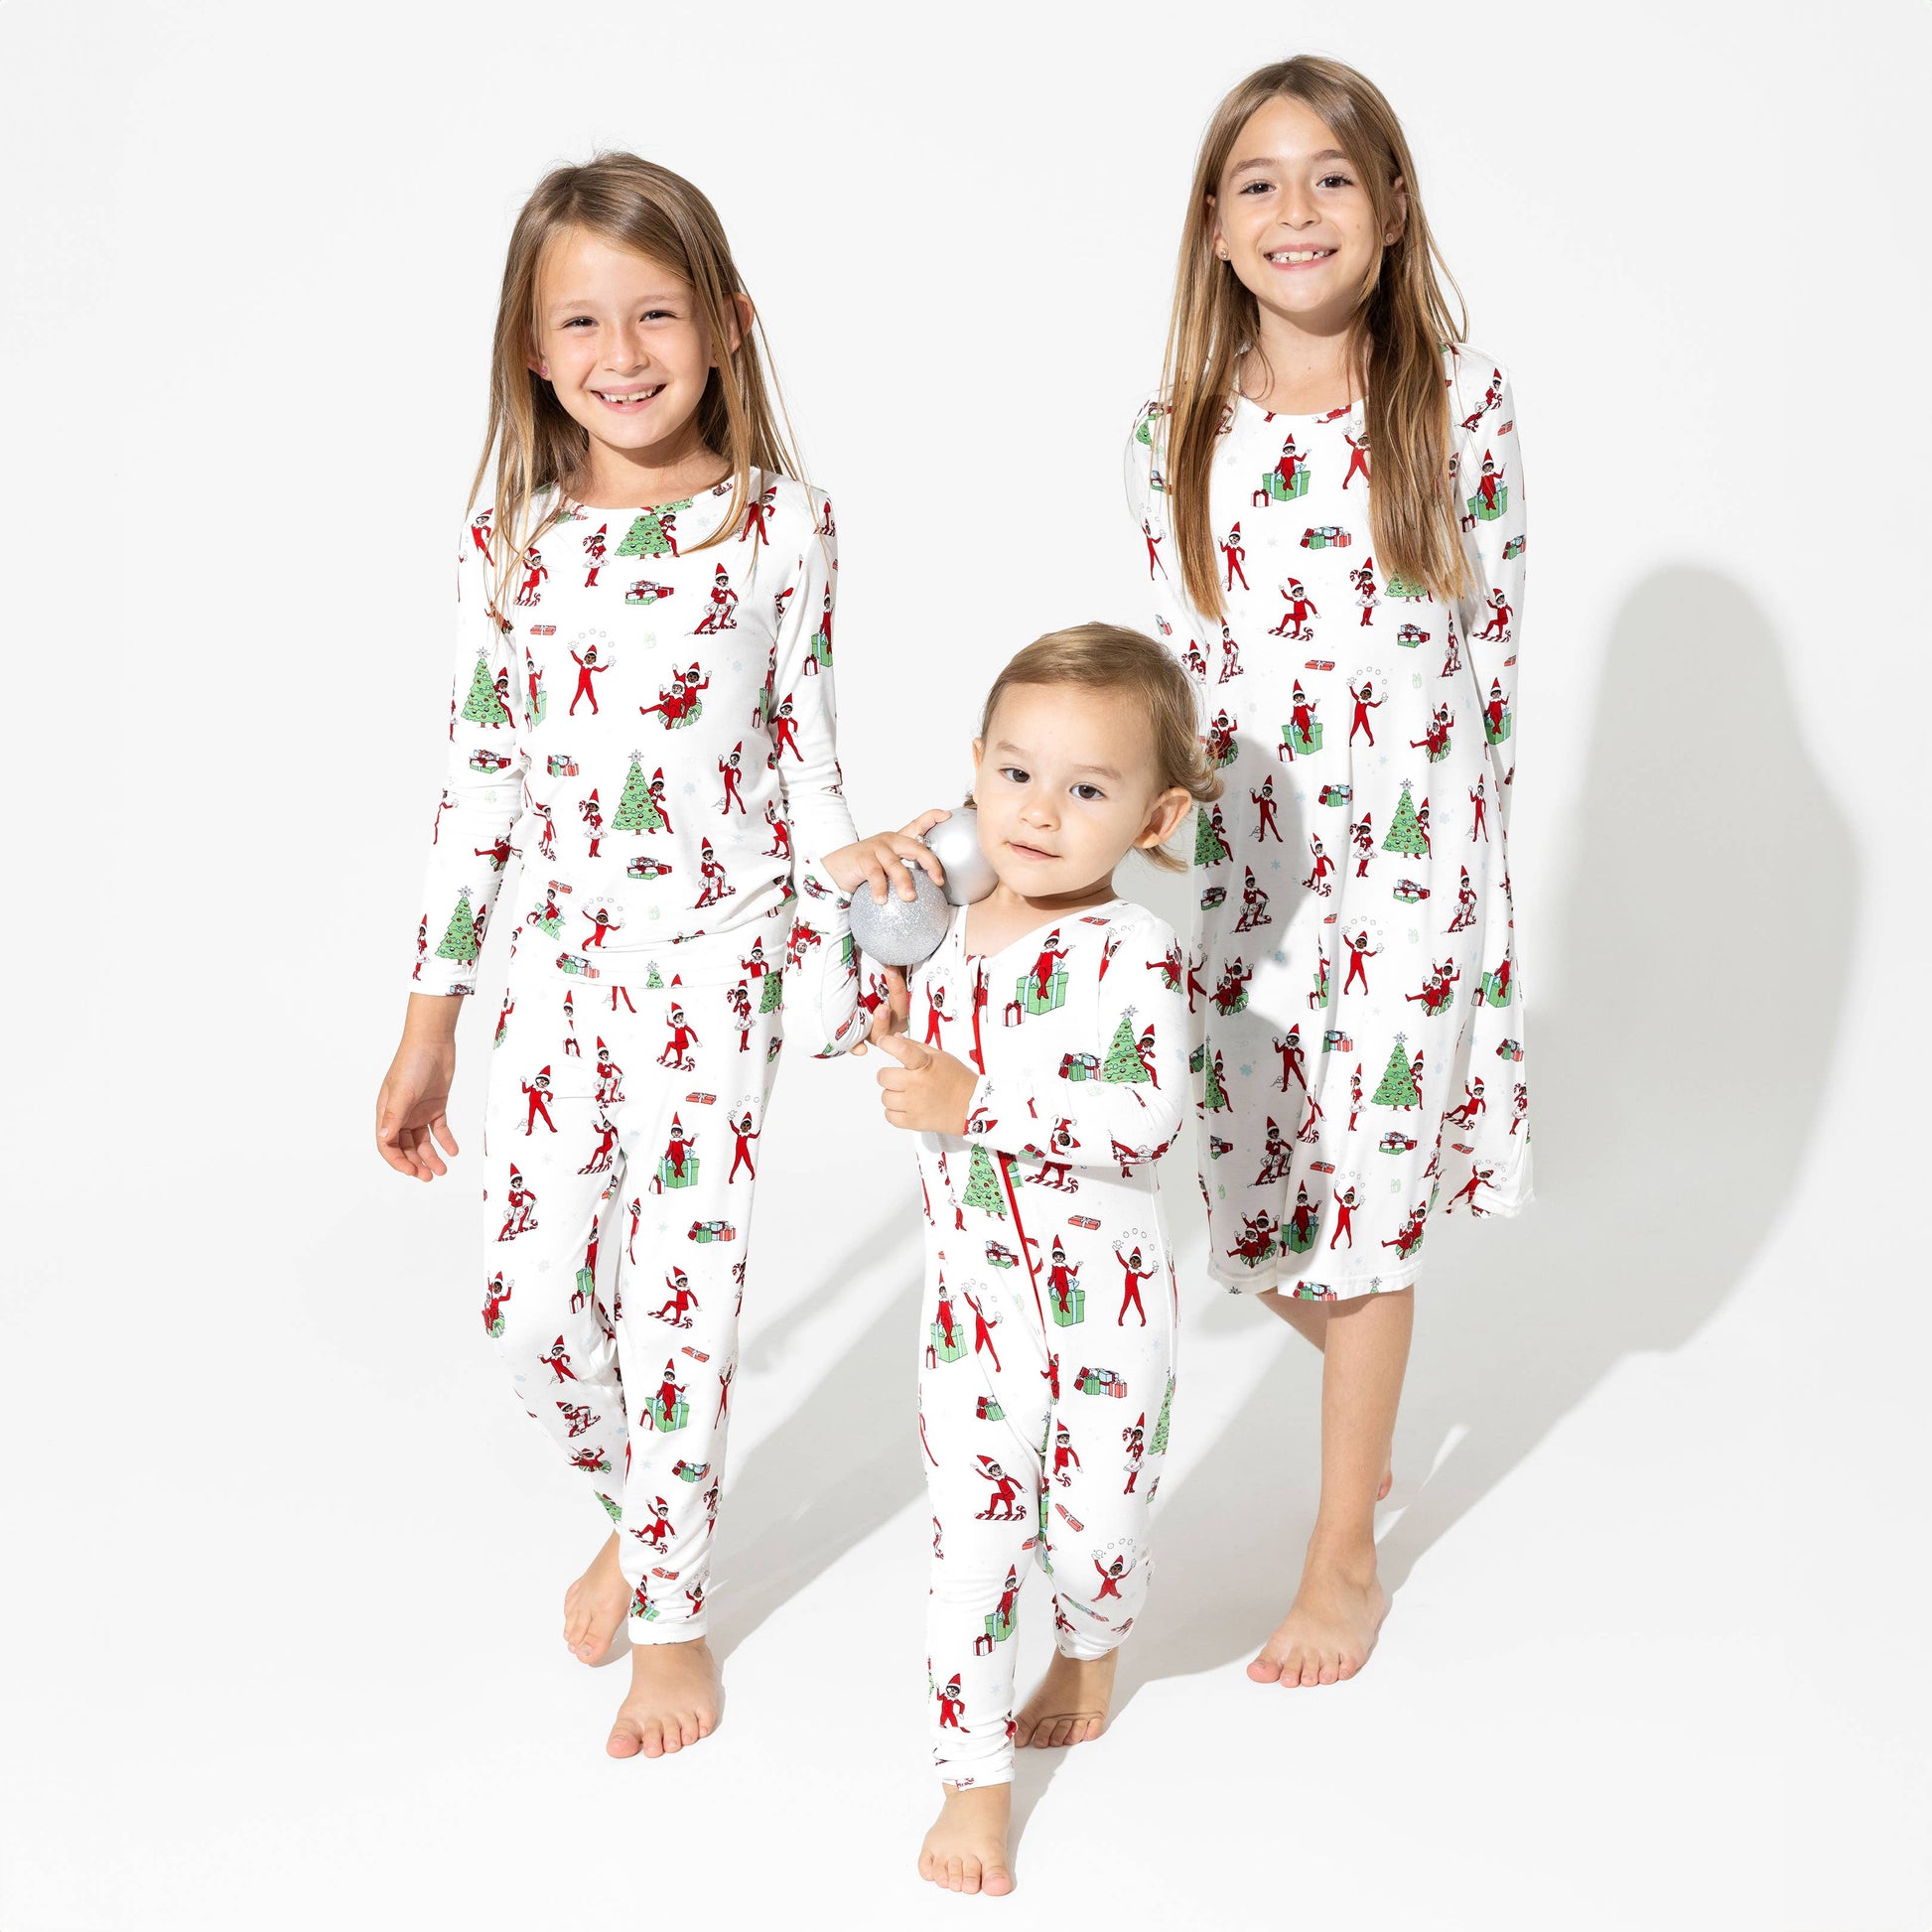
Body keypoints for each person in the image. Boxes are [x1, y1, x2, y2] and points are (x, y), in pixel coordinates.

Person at [373, 151, 897, 1762]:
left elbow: (809, 762)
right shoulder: (509, 543)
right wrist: (431, 1017)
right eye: (582, 322)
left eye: (656, 313)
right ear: (531, 352)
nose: (622, 353)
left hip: (721, 973)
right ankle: (636, 1511)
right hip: (560, 978)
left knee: (681, 1301)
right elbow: (479, 782)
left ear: (727, 324)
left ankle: (671, 1611)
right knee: (531, 1307)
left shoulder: (781, 528)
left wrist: (853, 950)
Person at [1123, 57, 1535, 1691]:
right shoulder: (1172, 432)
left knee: (1364, 1213)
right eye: (1258, 183)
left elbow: (1495, 652)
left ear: (1391, 208)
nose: (1296, 211)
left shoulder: (1456, 402)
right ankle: (1378, 1388)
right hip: (1257, 883)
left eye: (1331, 178)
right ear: (1215, 226)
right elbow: (1177, 666)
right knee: (1251, 1215)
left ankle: (1340, 1549)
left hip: (1414, 872)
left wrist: (1476, 898)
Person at [786, 624, 1219, 1897]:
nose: (1036, 812)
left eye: (1086, 789)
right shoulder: (933, 931)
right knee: (970, 1550)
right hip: (970, 1320)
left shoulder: (1132, 951)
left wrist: (975, 1101)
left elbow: (1144, 1116)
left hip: (1107, 1324)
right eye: (1014, 774)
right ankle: (970, 1779)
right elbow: (817, 1023)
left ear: (1155, 817)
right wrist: (862, 894)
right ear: (971, 767)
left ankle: (1091, 1640)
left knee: (1093, 1544)